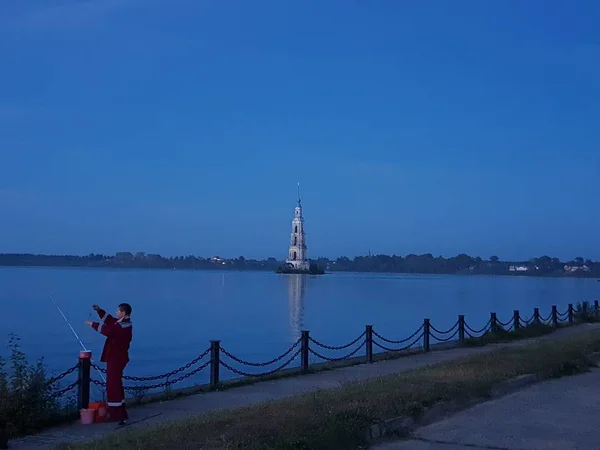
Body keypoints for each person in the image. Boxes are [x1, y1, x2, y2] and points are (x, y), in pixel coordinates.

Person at [85, 303, 133, 425]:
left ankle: (116, 413)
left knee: (113, 385)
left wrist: (92, 324)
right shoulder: (122, 323)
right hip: (118, 357)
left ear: (123, 313)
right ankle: (120, 411)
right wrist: (99, 311)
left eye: (118, 311)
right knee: (116, 383)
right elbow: (111, 321)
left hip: (116, 358)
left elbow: (108, 330)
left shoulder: (123, 326)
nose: (116, 312)